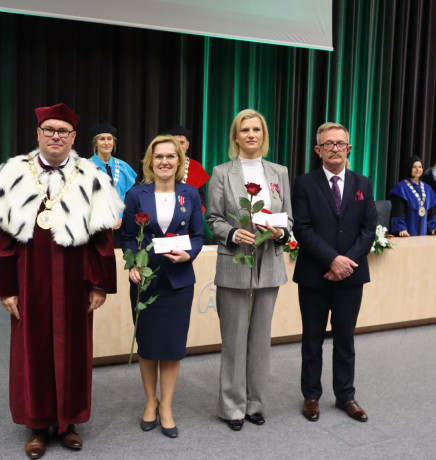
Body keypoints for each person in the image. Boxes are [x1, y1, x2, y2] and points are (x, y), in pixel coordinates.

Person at [0, 103, 124, 459]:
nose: (55, 136)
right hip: (29, 280)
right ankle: (37, 425)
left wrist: (99, 283)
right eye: (49, 130)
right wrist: (6, 288)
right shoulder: (12, 174)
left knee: (74, 350)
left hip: (75, 280)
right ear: (38, 134)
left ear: (73, 137)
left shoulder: (90, 177)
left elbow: (102, 237)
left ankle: (69, 423)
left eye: (63, 131)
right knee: (32, 350)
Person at [206, 109, 293, 431]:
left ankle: (255, 404)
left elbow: (288, 218)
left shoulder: (279, 172)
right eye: (245, 130)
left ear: (264, 135)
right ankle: (232, 407)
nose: (251, 135)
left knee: (260, 339)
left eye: (256, 129)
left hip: (269, 262)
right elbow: (213, 218)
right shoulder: (221, 172)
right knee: (233, 339)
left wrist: (281, 232)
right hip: (234, 261)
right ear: (236, 136)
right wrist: (231, 233)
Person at [291, 122, 377, 423]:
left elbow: (368, 229)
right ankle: (311, 396)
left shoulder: (363, 183)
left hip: (351, 276)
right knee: (312, 339)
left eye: (340, 144)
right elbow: (302, 228)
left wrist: (345, 263)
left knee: (345, 338)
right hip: (313, 276)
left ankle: (346, 396)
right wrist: (331, 260)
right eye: (328, 144)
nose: (335, 149)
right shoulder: (304, 184)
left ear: (349, 148)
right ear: (318, 150)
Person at [121, 135, 204, 438]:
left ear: (179, 161)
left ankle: (166, 405)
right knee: (147, 345)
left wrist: (189, 254)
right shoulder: (136, 194)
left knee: (171, 347)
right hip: (146, 279)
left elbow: (198, 236)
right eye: (159, 156)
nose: (165, 161)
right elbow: (127, 237)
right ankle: (150, 401)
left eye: (171, 156)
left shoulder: (190, 193)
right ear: (150, 161)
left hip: (178, 280)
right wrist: (132, 263)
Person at [90, 123, 137, 232]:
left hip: (122, 225)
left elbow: (132, 197)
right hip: (95, 226)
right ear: (96, 142)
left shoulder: (123, 167)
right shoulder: (86, 167)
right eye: (102, 139)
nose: (106, 143)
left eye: (109, 139)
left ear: (113, 142)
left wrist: (120, 216)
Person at [165, 125, 209, 213]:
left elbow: (201, 201)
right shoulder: (159, 165)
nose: (178, 146)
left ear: (187, 145)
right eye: (175, 142)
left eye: (182, 142)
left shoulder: (197, 168)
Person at [389, 156, 436, 236]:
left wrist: (434, 227)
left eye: (420, 167)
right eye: (414, 167)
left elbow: (431, 213)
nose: (418, 169)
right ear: (409, 168)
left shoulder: (427, 189)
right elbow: (398, 211)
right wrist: (401, 228)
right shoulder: (401, 188)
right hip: (406, 233)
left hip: (423, 235)